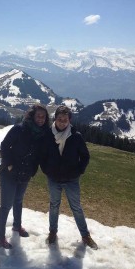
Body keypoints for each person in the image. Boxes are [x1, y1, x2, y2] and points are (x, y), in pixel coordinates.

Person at [40, 105, 98, 250]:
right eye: (60, 119)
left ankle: (85, 236)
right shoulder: (48, 135)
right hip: (54, 178)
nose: (62, 122)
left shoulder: (75, 136)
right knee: (54, 206)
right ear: (55, 119)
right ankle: (52, 232)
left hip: (72, 179)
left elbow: (85, 156)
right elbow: (42, 155)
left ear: (69, 120)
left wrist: (79, 171)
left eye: (65, 120)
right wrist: (46, 170)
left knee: (76, 208)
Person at [0, 103, 49, 249]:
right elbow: (4, 146)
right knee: (6, 205)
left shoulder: (42, 134)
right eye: (38, 116)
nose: (41, 119)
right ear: (31, 116)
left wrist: (33, 170)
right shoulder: (19, 129)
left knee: (18, 201)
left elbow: (39, 155)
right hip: (10, 173)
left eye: (43, 116)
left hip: (25, 173)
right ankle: (0, 238)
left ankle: (16, 227)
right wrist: (9, 165)